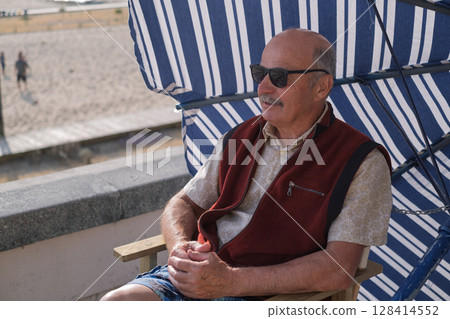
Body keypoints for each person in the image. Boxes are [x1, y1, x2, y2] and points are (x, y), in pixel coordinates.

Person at [101, 28, 392, 301]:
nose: (263, 87)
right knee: (114, 304)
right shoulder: (241, 136)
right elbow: (183, 204)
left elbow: (337, 269)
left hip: (268, 296)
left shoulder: (362, 161)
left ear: (321, 87)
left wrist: (229, 280)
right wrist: (178, 248)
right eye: (259, 73)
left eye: (279, 77)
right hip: (201, 276)